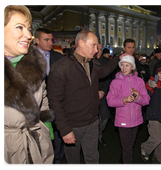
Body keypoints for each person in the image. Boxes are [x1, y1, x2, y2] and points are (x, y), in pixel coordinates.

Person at [47, 30, 124, 164]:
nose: (96, 50)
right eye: (93, 45)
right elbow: (54, 101)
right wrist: (65, 130)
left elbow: (104, 72)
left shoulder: (92, 63)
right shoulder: (61, 67)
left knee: (93, 158)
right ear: (81, 43)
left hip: (92, 122)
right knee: (73, 161)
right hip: (72, 125)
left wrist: (118, 59)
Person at [2, 3, 54, 164]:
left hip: (38, 145)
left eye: (28, 28)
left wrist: (47, 128)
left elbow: (43, 100)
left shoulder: (35, 65)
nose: (28, 35)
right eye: (19, 27)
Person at [107, 55, 150, 164]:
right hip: (123, 120)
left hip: (136, 120)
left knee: (130, 146)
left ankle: (122, 162)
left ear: (132, 67)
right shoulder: (115, 82)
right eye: (122, 65)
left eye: (127, 65)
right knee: (127, 149)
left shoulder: (139, 81)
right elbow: (110, 101)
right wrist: (124, 100)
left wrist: (137, 97)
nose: (124, 68)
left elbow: (146, 100)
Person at [34, 27, 65, 164]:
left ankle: (57, 162)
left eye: (51, 39)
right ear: (36, 40)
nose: (50, 43)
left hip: (57, 104)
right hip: (36, 107)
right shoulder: (27, 58)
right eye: (46, 40)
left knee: (58, 136)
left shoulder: (59, 58)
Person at [96, 45, 112, 146]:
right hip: (90, 95)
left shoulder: (105, 63)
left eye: (100, 49)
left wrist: (103, 91)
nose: (98, 51)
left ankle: (99, 135)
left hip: (102, 94)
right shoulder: (87, 62)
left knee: (104, 118)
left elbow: (107, 79)